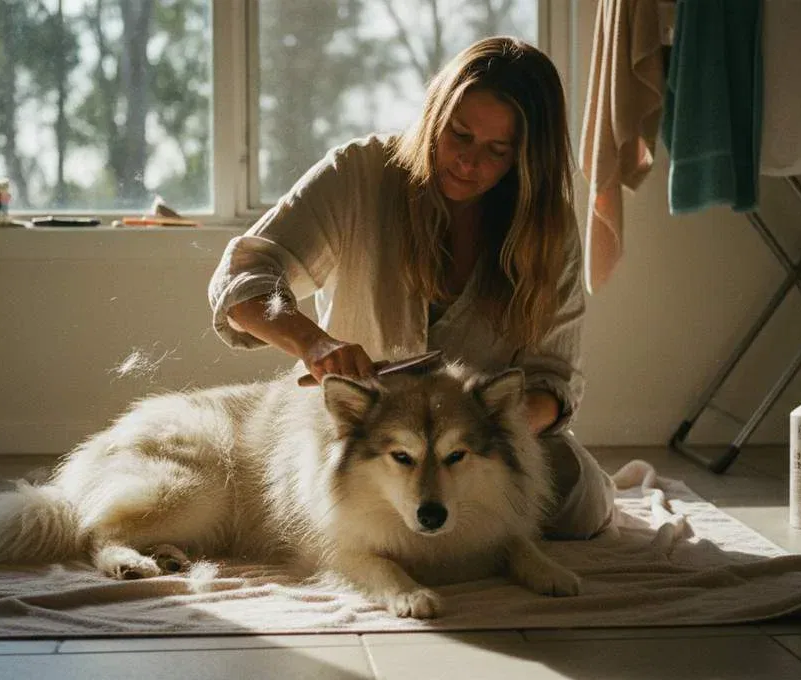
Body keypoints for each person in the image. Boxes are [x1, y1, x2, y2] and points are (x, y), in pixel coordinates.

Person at [208, 36, 615, 540]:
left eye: (497, 150)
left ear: (527, 159)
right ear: (435, 114)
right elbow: (241, 279)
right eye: (459, 134)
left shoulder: (547, 227)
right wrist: (314, 342)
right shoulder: (357, 172)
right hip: (369, 442)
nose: (468, 162)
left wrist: (484, 434)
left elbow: (555, 381)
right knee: (334, 500)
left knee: (576, 497)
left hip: (475, 448)